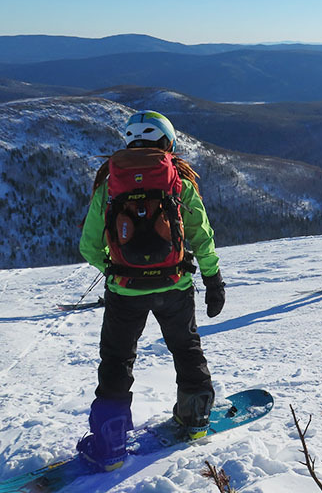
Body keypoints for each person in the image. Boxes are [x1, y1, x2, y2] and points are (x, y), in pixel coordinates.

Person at [77, 111, 225, 471]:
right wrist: (213, 280)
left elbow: (88, 246)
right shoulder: (180, 183)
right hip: (175, 285)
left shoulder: (110, 185)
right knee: (186, 349)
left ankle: (110, 446)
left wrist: (116, 270)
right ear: (168, 143)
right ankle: (194, 419)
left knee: (117, 360)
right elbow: (201, 238)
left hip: (125, 291)